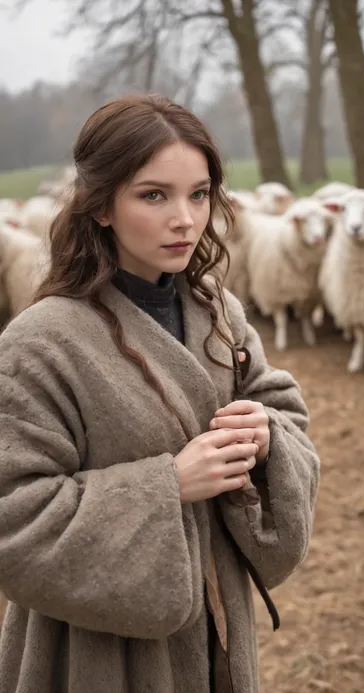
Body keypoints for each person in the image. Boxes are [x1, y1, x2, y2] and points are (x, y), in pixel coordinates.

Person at [0, 93, 320, 693]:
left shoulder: (218, 312)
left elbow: (281, 409)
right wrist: (167, 485)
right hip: (94, 655)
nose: (186, 219)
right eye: (154, 195)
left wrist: (265, 435)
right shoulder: (38, 344)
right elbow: (13, 516)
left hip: (220, 632)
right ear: (100, 206)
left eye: (199, 194)